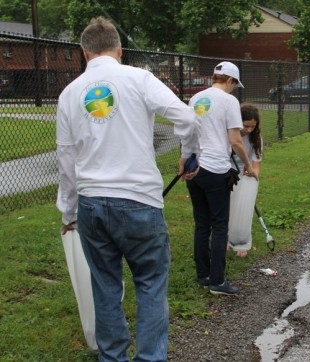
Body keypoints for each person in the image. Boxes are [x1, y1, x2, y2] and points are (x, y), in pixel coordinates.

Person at [56, 17, 199, 361]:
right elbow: (189, 118)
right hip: (139, 202)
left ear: (83, 53)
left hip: (92, 203)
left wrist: (69, 211)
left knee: (105, 286)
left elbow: (66, 159)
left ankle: (113, 356)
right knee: (150, 283)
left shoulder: (70, 93)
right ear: (120, 50)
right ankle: (150, 357)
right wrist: (189, 153)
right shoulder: (140, 79)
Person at [187, 61, 256, 296]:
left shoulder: (196, 99)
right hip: (216, 168)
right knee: (219, 226)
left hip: (194, 168)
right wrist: (247, 165)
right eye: (234, 85)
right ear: (229, 80)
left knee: (201, 223)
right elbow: (235, 140)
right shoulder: (229, 101)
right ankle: (217, 281)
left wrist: (186, 157)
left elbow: (189, 132)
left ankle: (203, 275)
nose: (233, 89)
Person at [228, 103, 263, 257]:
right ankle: (225, 239)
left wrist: (252, 174)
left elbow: (256, 166)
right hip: (225, 173)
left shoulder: (256, 138)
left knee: (243, 209)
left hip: (244, 174)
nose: (248, 130)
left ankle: (241, 241)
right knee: (226, 209)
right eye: (246, 126)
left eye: (252, 127)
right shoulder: (228, 133)